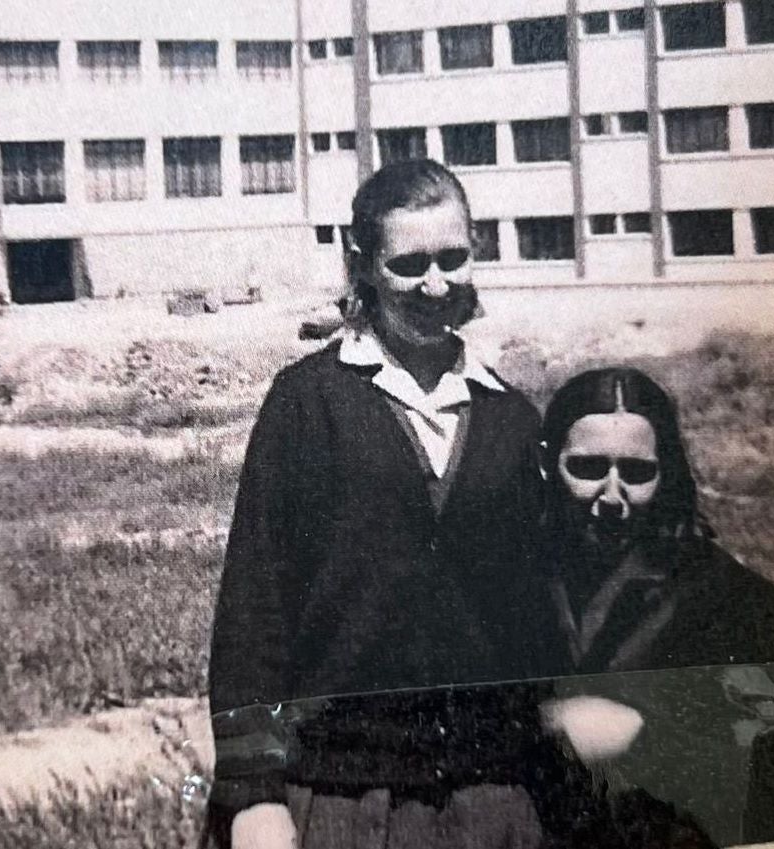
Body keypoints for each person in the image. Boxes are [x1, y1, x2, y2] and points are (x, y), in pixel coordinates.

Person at [206, 159, 560, 849]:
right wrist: (252, 791)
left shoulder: (512, 418)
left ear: (477, 251)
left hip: (489, 798)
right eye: (409, 264)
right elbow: (255, 606)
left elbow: (541, 619)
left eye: (452, 259)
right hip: (339, 797)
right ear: (363, 265)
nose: (435, 285)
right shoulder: (306, 404)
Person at [536, 367, 774, 845]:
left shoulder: (726, 596)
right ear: (547, 464)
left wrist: (645, 736)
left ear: (665, 472)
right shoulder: (506, 580)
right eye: (587, 468)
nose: (611, 496)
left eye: (636, 472)